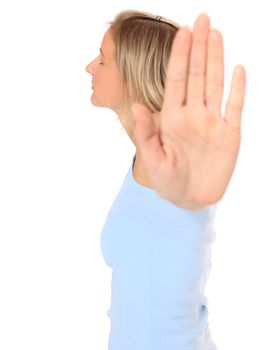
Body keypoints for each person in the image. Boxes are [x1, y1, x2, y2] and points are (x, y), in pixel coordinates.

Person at [85, 10, 246, 350]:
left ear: (133, 75)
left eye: (102, 60)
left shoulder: (176, 166)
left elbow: (185, 202)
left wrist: (192, 197)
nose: (89, 67)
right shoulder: (145, 160)